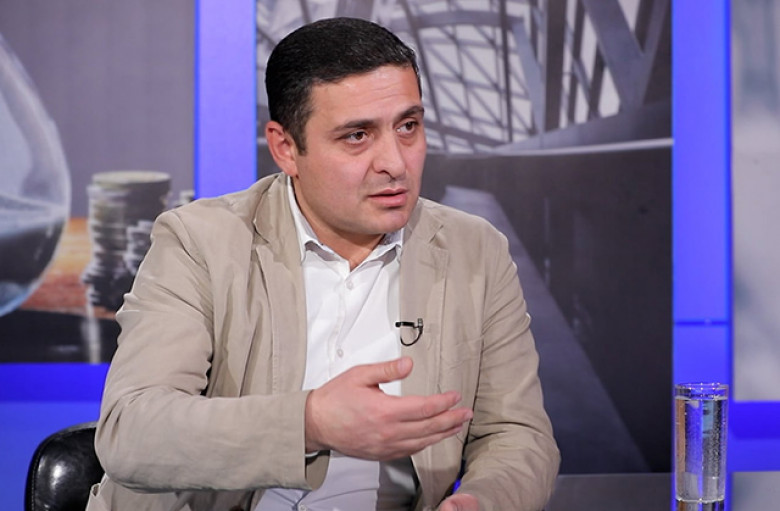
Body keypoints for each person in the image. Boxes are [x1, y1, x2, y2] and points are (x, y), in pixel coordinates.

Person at [86, 17, 559, 511]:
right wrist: (310, 423)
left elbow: (517, 434)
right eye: (357, 136)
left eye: (408, 127)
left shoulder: (475, 250)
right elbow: (131, 431)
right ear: (286, 148)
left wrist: (481, 502)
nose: (395, 163)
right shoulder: (199, 241)